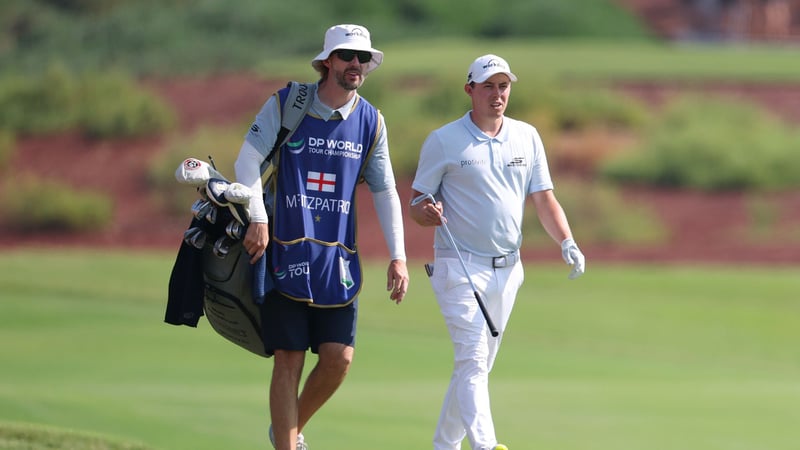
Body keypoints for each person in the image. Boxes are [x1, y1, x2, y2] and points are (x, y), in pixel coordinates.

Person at [233, 24, 409, 450]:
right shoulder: (289, 103)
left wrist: (398, 256)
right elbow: (246, 161)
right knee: (288, 360)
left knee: (338, 360)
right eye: (347, 56)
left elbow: (385, 191)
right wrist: (258, 217)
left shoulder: (371, 121)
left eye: (363, 58)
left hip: (337, 264)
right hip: (285, 255)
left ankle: (286, 433)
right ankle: (288, 446)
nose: (356, 65)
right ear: (327, 61)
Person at [408, 54, 586, 450]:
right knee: (472, 360)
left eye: (503, 86)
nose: (497, 94)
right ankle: (486, 445)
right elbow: (417, 204)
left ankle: (444, 445)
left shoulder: (527, 136)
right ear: (470, 90)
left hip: (509, 269)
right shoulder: (444, 140)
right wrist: (427, 211)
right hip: (459, 266)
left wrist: (567, 241)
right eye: (488, 86)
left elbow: (543, 199)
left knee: (476, 367)